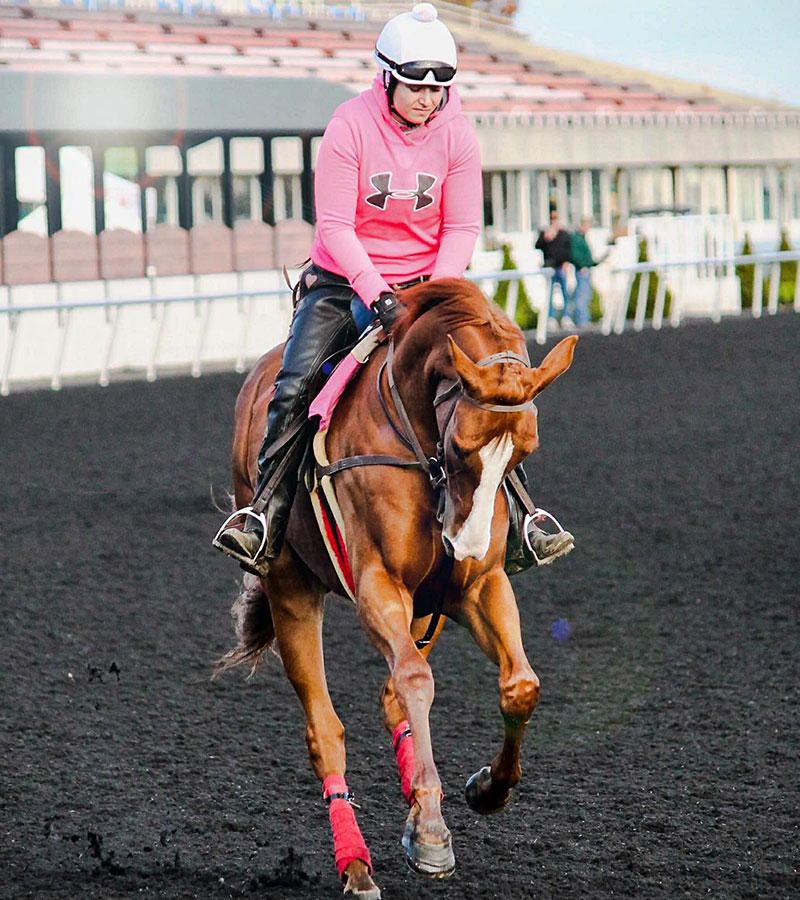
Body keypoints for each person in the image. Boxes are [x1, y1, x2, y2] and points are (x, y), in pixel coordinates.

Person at [215, 3, 573, 576]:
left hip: (430, 287)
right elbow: (336, 226)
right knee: (294, 382)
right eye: (415, 87)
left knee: (497, 377)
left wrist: (435, 293)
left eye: (437, 89)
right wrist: (379, 294)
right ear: (386, 78)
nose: (427, 99)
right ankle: (265, 516)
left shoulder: (458, 133)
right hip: (344, 281)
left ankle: (524, 519)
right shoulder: (349, 126)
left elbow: (461, 227)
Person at [535, 210, 572, 326]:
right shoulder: (544, 233)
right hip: (550, 268)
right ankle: (551, 318)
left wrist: (567, 262)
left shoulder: (564, 234)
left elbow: (569, 249)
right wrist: (545, 238)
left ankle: (566, 317)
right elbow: (537, 246)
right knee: (549, 294)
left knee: (565, 293)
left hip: (561, 267)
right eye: (552, 218)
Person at [567, 217, 602, 327]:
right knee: (582, 295)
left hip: (586, 268)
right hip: (582, 270)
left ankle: (584, 318)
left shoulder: (581, 238)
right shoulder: (577, 238)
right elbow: (575, 255)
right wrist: (582, 265)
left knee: (585, 295)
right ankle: (582, 320)